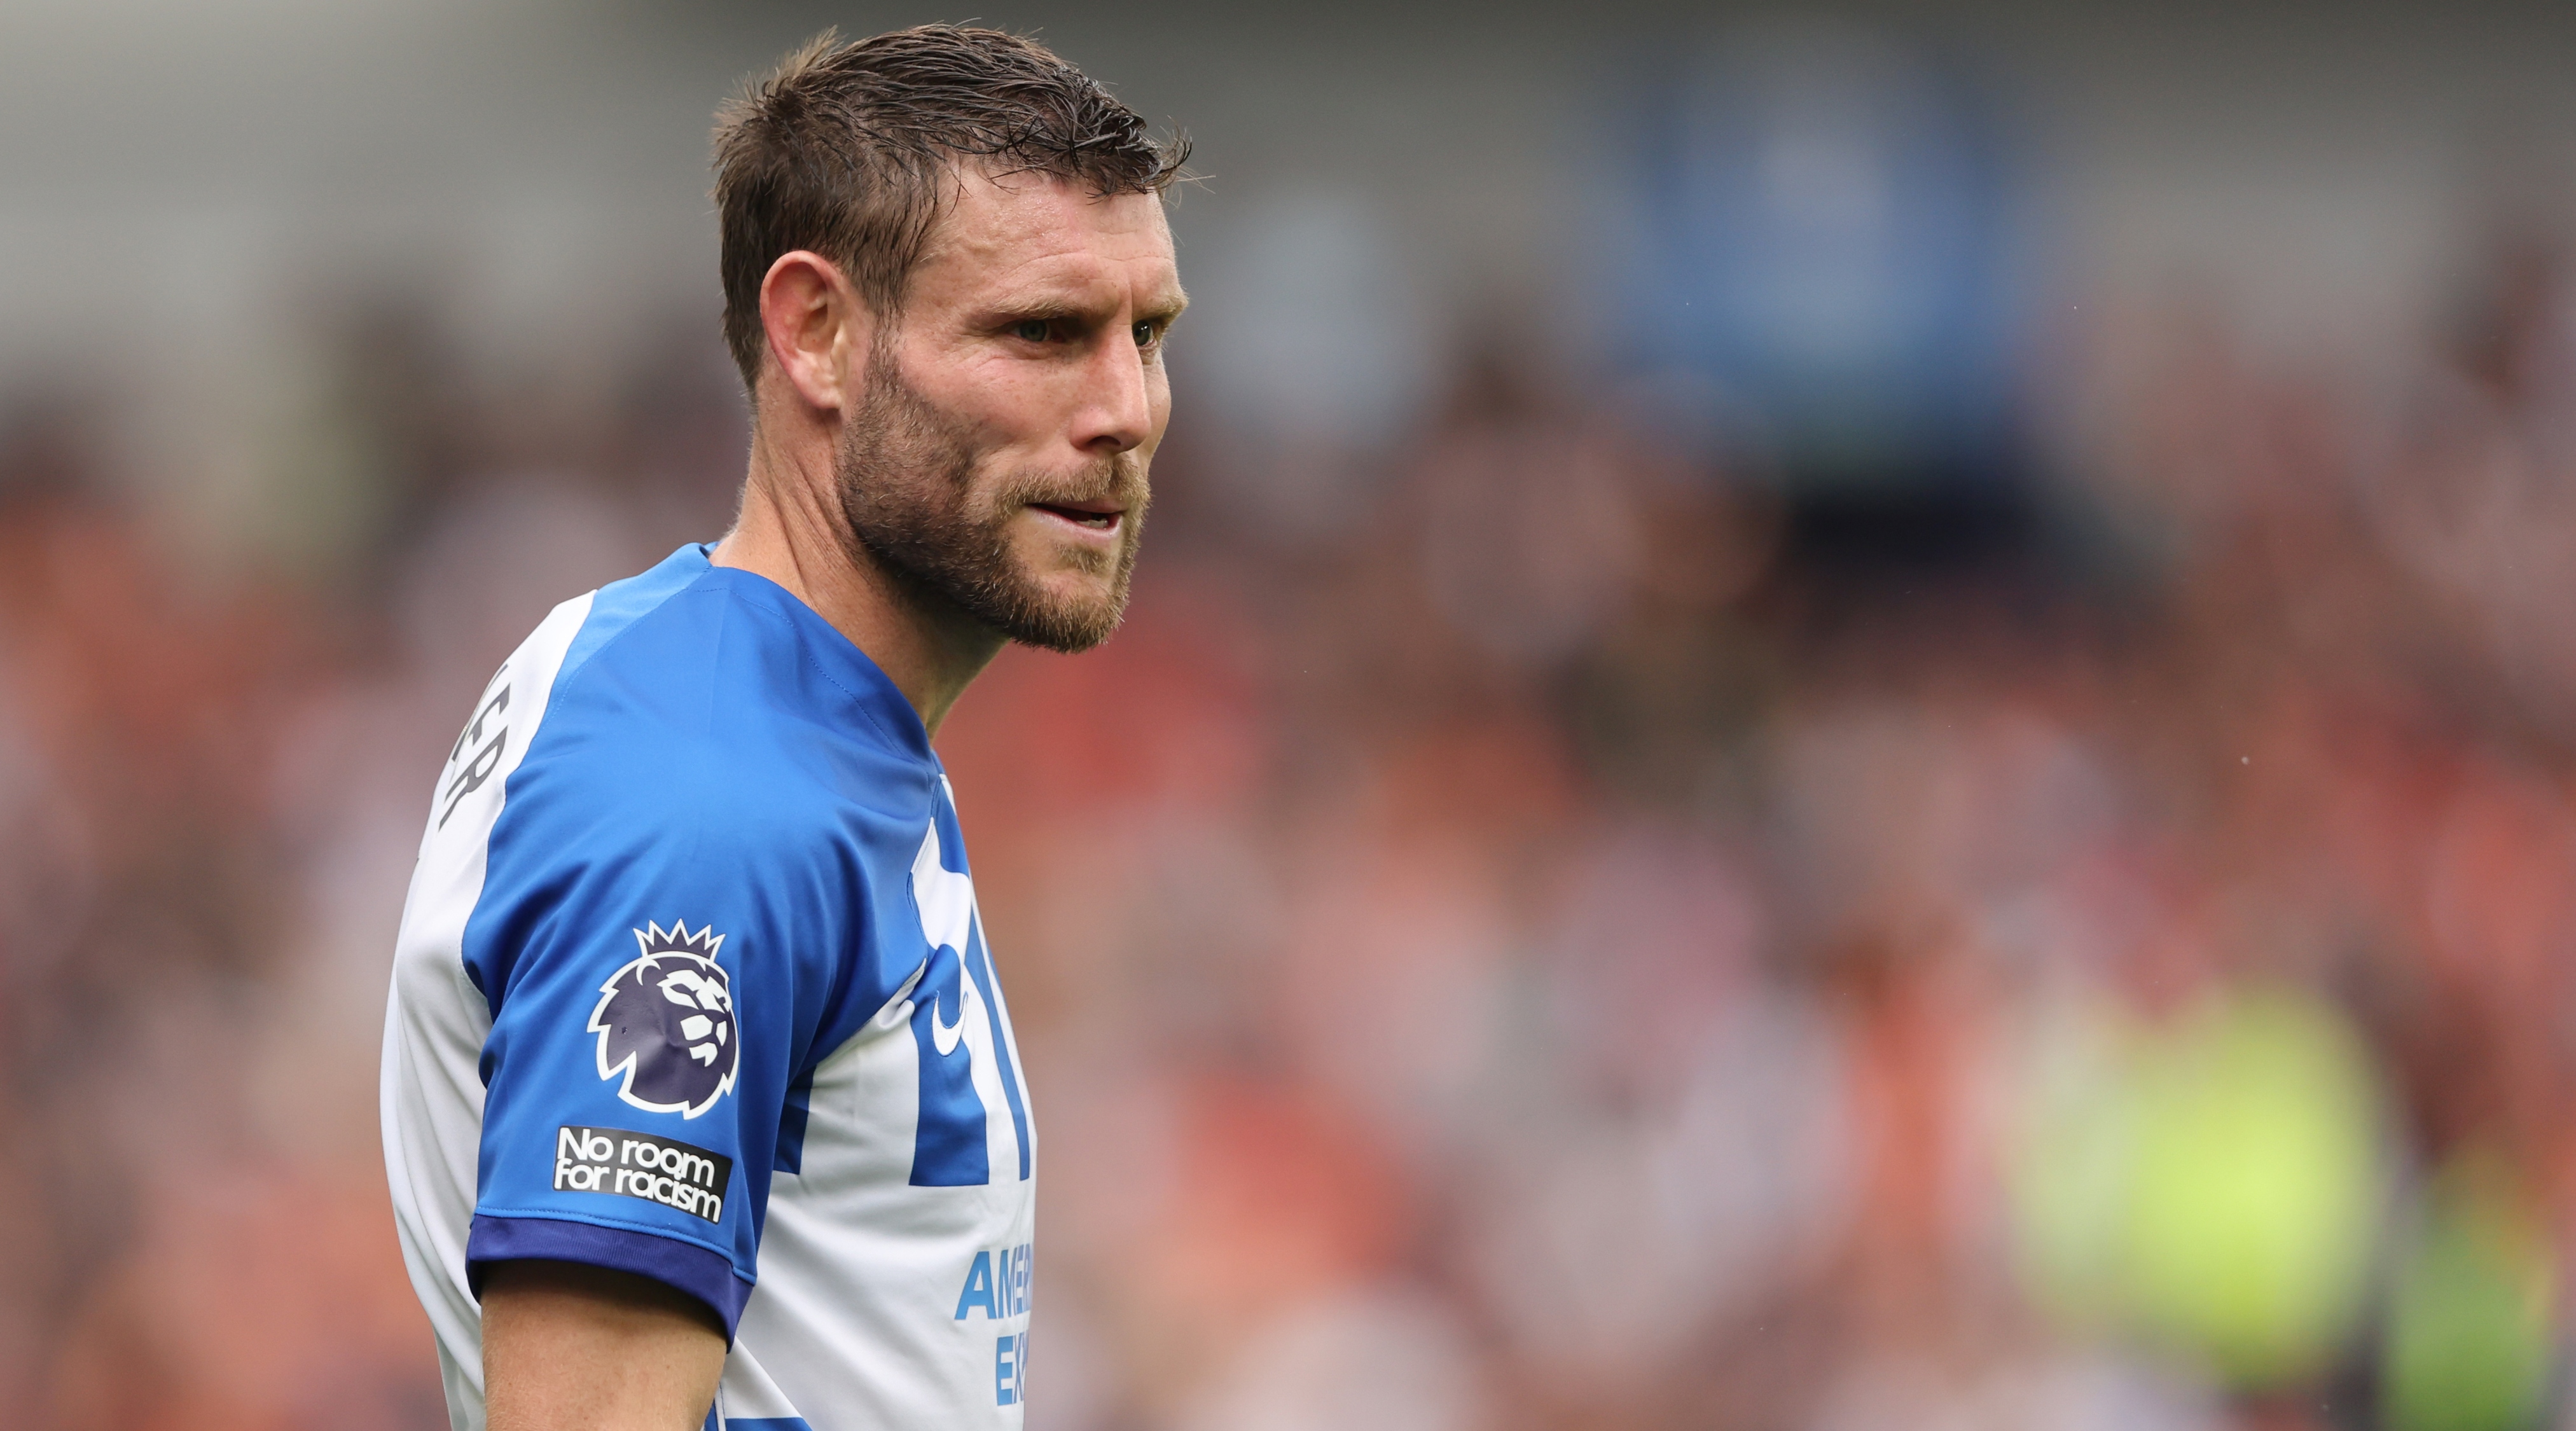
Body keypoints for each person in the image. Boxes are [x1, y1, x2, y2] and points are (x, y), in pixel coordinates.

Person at [379, 25, 1188, 1430]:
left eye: (1149, 335)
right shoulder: (709, 800)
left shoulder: (738, 703)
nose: (1124, 410)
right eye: (1044, 334)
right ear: (817, 330)